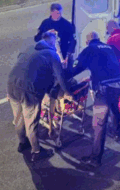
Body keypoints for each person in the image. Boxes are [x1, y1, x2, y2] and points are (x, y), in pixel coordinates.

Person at [7, 31, 73, 162]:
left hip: (11, 84)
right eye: (56, 43)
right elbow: (60, 76)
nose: (56, 46)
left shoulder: (29, 48)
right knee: (31, 122)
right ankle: (36, 151)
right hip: (28, 89)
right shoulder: (51, 54)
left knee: (18, 117)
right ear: (52, 42)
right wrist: (67, 92)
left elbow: (20, 61)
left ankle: (22, 143)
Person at [72, 31, 120, 168]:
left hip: (104, 88)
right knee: (114, 108)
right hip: (119, 84)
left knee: (99, 123)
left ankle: (95, 159)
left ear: (87, 41)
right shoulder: (108, 47)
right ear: (99, 38)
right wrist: (93, 76)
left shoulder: (89, 49)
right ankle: (117, 132)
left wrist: (64, 73)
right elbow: (109, 66)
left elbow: (76, 68)